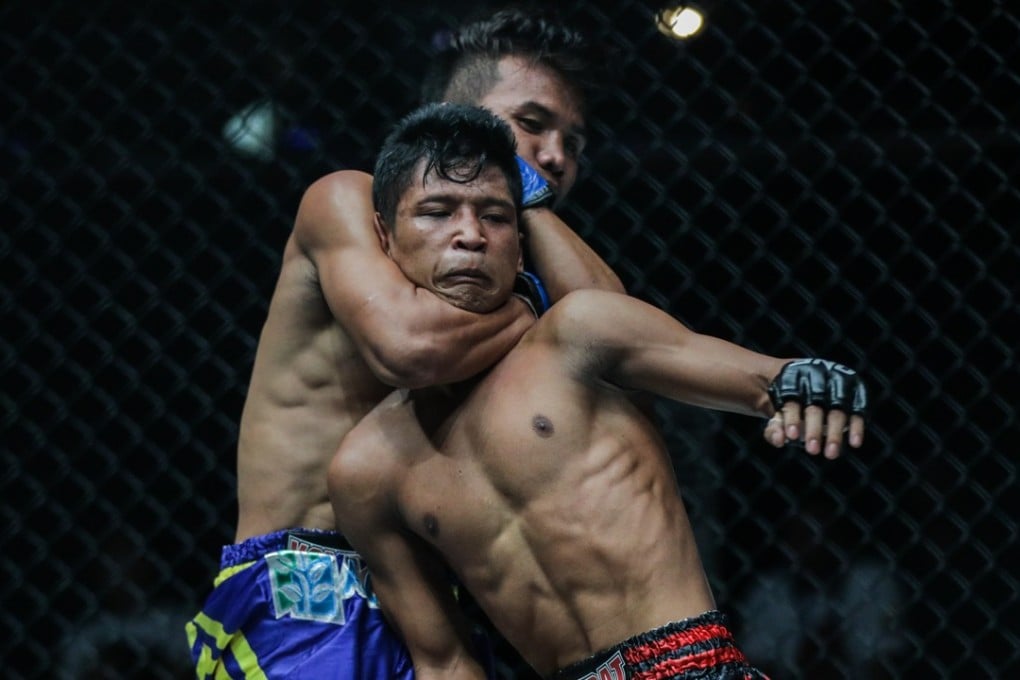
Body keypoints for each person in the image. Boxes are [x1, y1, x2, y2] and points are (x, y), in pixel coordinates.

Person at [328, 103, 868, 680]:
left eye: (496, 216)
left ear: (520, 235)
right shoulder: (367, 469)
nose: (470, 236)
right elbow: (444, 661)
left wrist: (808, 382)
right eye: (437, 212)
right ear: (384, 236)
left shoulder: (579, 336)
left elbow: (762, 378)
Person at [186, 7, 623, 678]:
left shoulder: (508, 268)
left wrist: (528, 212)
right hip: (309, 588)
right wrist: (535, 310)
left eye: (574, 142)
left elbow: (619, 339)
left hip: (439, 612)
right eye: (532, 124)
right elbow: (409, 348)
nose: (558, 155)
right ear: (455, 115)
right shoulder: (347, 203)